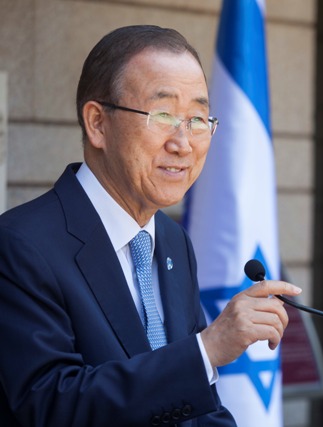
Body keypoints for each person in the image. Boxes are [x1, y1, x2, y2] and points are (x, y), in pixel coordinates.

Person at [0, 25, 301, 427]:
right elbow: (48, 405)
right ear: (97, 123)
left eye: (198, 119)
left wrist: (201, 359)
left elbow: (198, 407)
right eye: (162, 115)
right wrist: (206, 351)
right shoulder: (22, 244)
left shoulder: (173, 240)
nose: (184, 142)